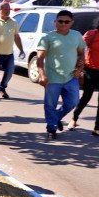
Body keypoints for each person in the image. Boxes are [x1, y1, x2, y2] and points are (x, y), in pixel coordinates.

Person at [36, 10, 86, 141]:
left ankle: (55, 118)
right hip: (53, 78)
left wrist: (80, 68)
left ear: (72, 23)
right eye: (60, 21)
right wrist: (41, 74)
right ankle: (51, 129)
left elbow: (81, 53)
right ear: (55, 22)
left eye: (67, 22)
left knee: (73, 102)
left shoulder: (76, 35)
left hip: (71, 77)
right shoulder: (48, 38)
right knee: (50, 104)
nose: (63, 24)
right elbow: (40, 58)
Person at [0, 2, 25, 100]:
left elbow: (16, 37)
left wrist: (21, 49)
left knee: (9, 72)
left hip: (9, 53)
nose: (8, 12)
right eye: (5, 10)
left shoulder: (14, 22)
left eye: (9, 10)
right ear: (0, 10)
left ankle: (2, 87)